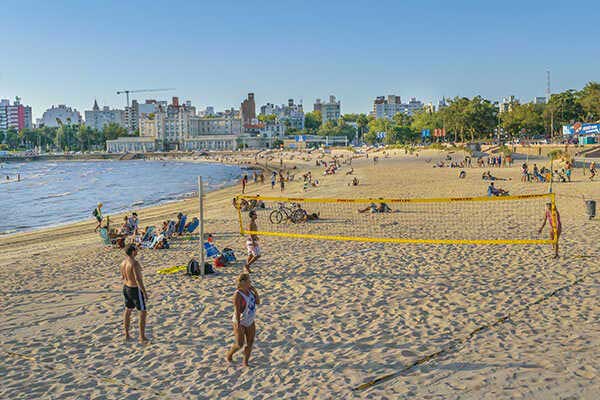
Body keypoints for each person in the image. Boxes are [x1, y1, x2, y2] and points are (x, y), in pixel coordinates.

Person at [226, 273, 260, 367]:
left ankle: (245, 362)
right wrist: (238, 324)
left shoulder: (250, 291)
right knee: (239, 344)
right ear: (243, 282)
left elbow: (258, 302)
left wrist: (255, 291)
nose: (250, 282)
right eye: (249, 281)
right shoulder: (238, 295)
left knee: (250, 342)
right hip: (240, 321)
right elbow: (237, 311)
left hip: (250, 320)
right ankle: (229, 355)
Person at [120, 244, 149, 343]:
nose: (137, 251)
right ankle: (142, 336)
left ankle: (127, 335)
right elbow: (138, 279)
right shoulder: (135, 263)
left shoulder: (123, 262)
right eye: (136, 250)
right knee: (142, 312)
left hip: (126, 287)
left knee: (128, 310)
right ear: (132, 252)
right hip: (135, 289)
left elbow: (123, 277)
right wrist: (144, 292)